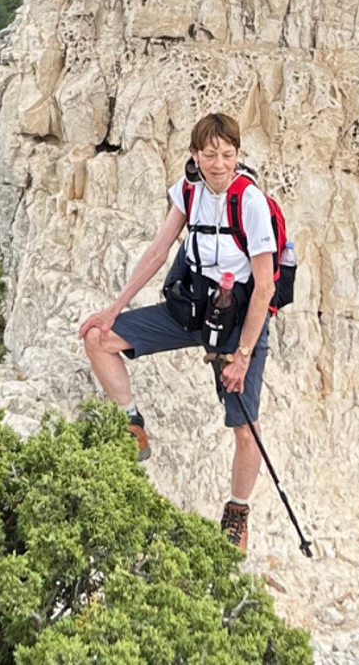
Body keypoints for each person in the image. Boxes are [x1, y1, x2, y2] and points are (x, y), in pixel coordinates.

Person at [78, 112, 277, 550]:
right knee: (98, 339)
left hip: (236, 322)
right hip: (190, 310)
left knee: (246, 430)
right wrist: (113, 310)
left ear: (237, 154)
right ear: (195, 155)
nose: (219, 163)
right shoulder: (188, 191)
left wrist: (242, 357)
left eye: (227, 154)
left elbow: (265, 287)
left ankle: (237, 512)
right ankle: (132, 426)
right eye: (210, 154)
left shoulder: (250, 202)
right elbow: (158, 250)